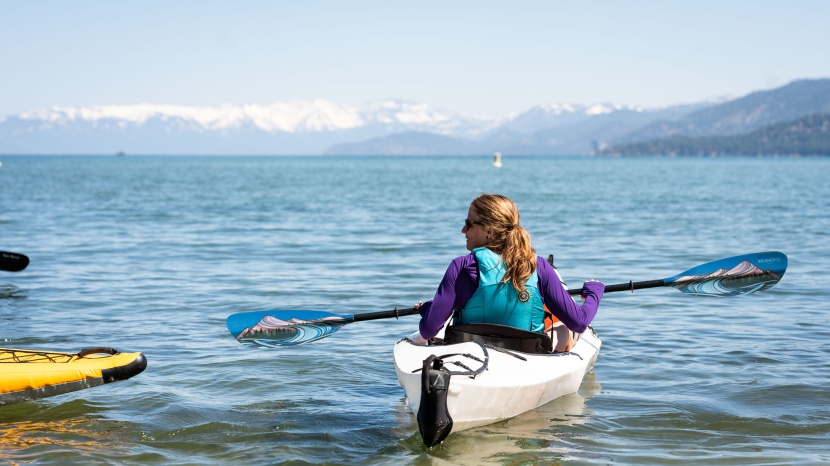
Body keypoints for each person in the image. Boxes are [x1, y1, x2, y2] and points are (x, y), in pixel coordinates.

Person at [415, 193, 604, 352]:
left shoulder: (460, 267)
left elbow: (429, 330)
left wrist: (428, 311)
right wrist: (594, 293)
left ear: (489, 231)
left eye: (469, 224)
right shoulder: (539, 267)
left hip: (471, 356)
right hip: (529, 358)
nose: (463, 230)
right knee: (562, 330)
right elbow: (579, 322)